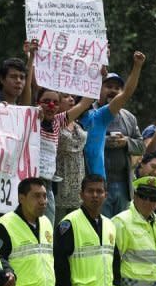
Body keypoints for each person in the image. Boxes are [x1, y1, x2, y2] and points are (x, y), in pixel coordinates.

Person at [80, 51, 146, 217]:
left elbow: (141, 146)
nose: (113, 91)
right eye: (108, 86)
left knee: (119, 233)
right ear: (97, 88)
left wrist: (126, 142)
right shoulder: (87, 114)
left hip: (123, 184)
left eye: (117, 88)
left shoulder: (127, 118)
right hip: (93, 185)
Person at [54, 174, 124, 286]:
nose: (95, 195)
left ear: (106, 195)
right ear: (81, 194)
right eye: (90, 191)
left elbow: (115, 260)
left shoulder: (109, 225)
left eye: (99, 191)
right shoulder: (69, 224)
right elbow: (60, 264)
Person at [0, 177, 58, 286]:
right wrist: (8, 272)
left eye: (44, 196)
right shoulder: (3, 226)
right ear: (21, 198)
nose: (43, 201)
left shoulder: (46, 222)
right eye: (36, 196)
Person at [36, 88, 94, 225]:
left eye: (55, 102)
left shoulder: (57, 122)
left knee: (48, 228)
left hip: (48, 184)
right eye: (46, 101)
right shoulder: (31, 119)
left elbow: (84, 104)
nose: (51, 105)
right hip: (31, 182)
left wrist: (98, 76)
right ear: (37, 102)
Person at [113, 176, 156, 286]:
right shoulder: (121, 222)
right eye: (143, 196)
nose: (147, 202)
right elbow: (111, 262)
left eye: (152, 199)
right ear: (135, 197)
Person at [55, 93, 87, 223]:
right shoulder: (54, 122)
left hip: (78, 185)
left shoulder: (78, 125)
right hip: (60, 185)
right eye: (65, 96)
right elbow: (85, 103)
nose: (71, 99)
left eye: (72, 96)